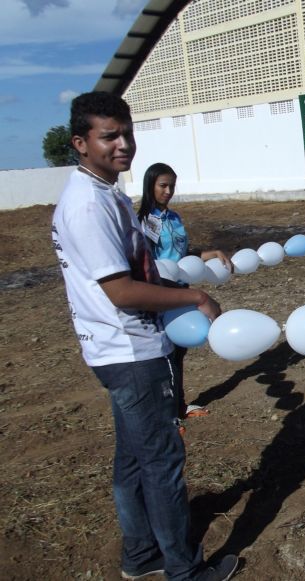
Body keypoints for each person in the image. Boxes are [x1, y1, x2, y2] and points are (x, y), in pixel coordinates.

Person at [53, 92, 238, 581]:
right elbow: (121, 290)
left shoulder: (105, 192)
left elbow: (139, 271)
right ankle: (184, 570)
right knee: (162, 463)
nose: (123, 145)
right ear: (81, 143)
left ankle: (141, 556)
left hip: (117, 349)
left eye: (127, 133)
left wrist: (179, 280)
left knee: (134, 459)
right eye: (109, 136)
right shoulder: (88, 206)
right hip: (132, 351)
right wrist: (195, 297)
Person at [137, 162, 234, 420]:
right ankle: (166, 415)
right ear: (150, 186)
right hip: (160, 294)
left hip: (181, 291)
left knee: (178, 352)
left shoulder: (174, 218)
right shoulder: (145, 222)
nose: (168, 190)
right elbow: (148, 263)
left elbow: (181, 256)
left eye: (172, 185)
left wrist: (210, 254)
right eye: (163, 185)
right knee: (162, 355)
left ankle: (178, 407)